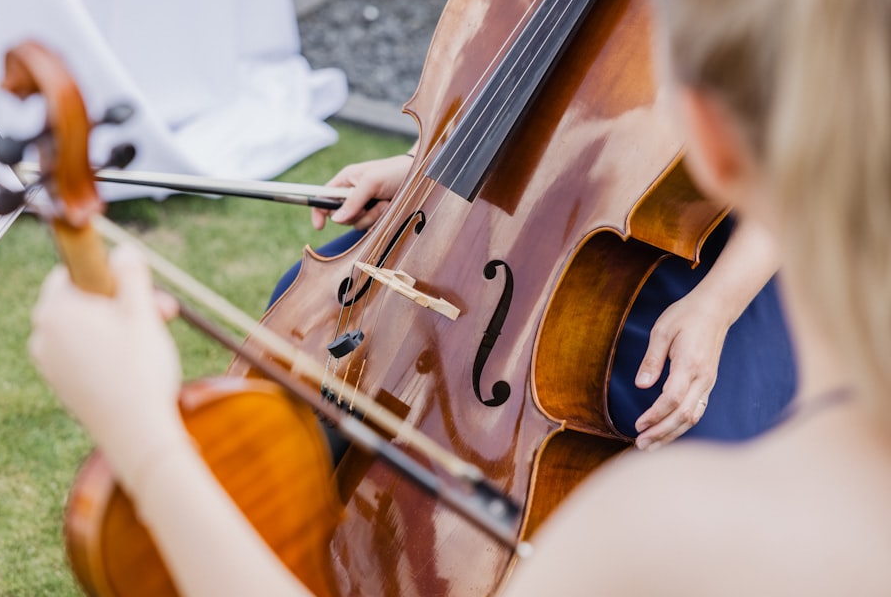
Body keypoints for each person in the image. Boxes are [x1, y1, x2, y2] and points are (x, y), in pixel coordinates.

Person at [29, 0, 891, 597]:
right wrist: (429, 160)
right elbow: (545, 87)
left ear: (707, 137)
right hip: (531, 226)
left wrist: (143, 432)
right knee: (316, 294)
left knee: (652, 399)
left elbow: (818, 127)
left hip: (683, 258)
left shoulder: (663, 536)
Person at [272, 151, 794, 452]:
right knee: (310, 303)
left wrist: (717, 305)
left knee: (673, 427)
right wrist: (424, 163)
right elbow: (514, 69)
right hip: (509, 208)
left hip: (690, 250)